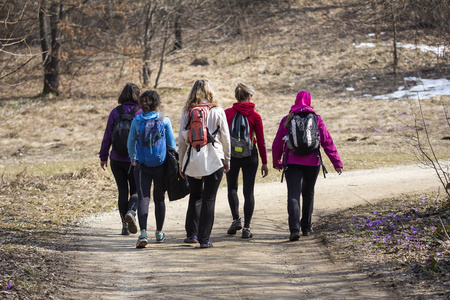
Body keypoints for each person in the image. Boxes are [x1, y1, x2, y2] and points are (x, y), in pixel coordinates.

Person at [272, 91, 343, 241]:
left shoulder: (287, 119)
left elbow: (278, 142)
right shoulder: (317, 119)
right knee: (308, 193)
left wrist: (276, 161)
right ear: (309, 101)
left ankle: (294, 229)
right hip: (312, 162)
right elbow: (327, 142)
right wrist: (336, 163)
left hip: (292, 162)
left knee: (293, 195)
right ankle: (307, 227)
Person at [178, 79, 231, 248]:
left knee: (195, 196)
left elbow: (181, 140)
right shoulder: (218, 111)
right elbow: (225, 138)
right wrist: (227, 159)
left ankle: (191, 234)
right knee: (209, 198)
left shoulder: (188, 112)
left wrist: (181, 164)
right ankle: (205, 239)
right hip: (214, 159)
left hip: (193, 159)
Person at [127, 90, 177, 248]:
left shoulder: (137, 121)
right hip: (161, 165)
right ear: (157, 103)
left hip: (142, 165)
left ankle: (143, 234)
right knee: (160, 198)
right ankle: (159, 233)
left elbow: (130, 143)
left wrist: (133, 159)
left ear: (142, 104)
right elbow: (171, 145)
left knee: (143, 198)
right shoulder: (164, 120)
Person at [224, 83, 269, 238]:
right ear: (249, 96)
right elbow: (261, 140)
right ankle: (247, 228)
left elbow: (222, 137)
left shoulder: (227, 113)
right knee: (248, 191)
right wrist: (264, 162)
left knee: (232, 188)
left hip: (232, 156)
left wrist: (223, 157)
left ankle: (236, 219)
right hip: (251, 155)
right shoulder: (255, 116)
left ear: (237, 97)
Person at [99, 83, 142, 235]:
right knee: (136, 190)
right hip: (135, 159)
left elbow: (107, 136)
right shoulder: (140, 112)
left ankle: (124, 225)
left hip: (116, 159)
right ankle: (132, 211)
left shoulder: (115, 112)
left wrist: (103, 156)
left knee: (122, 191)